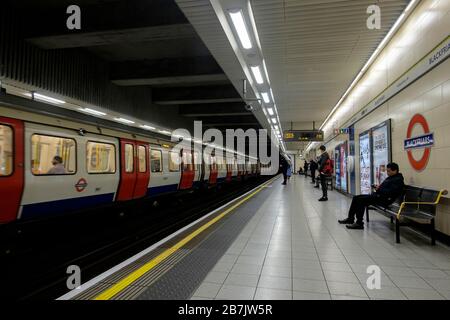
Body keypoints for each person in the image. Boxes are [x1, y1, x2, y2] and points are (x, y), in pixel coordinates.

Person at [339, 162, 404, 229]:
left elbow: (390, 193)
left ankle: (359, 223)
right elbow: (385, 189)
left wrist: (379, 189)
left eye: (389, 171)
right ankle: (350, 218)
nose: (387, 173)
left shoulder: (398, 180)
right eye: (387, 171)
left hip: (385, 200)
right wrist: (378, 187)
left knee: (361, 200)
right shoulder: (392, 177)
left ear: (395, 170)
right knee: (356, 197)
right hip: (379, 196)